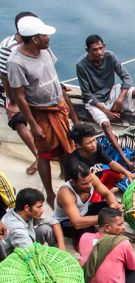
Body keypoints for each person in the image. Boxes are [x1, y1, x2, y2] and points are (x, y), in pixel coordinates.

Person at [7, 16, 76, 206]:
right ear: (35, 39)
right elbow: (19, 96)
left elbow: (51, 74)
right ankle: (50, 194)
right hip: (41, 112)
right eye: (45, 35)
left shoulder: (44, 50)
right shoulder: (16, 62)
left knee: (65, 148)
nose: (49, 38)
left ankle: (67, 180)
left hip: (57, 107)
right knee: (45, 153)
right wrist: (34, 125)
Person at [76, 34, 135, 171]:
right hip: (96, 101)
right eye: (95, 50)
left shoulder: (110, 56)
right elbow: (87, 95)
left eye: (101, 48)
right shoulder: (81, 65)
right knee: (106, 124)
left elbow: (126, 78)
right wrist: (107, 112)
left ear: (104, 46)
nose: (99, 52)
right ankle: (125, 159)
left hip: (112, 93)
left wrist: (120, 99)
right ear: (88, 51)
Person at [0, 12, 40, 175]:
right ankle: (38, 156)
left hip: (30, 86)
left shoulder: (35, 42)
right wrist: (12, 102)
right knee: (18, 120)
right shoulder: (8, 46)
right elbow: (4, 77)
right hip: (12, 89)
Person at [54, 162, 122, 250]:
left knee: (113, 209)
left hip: (85, 211)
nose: (89, 185)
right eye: (84, 184)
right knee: (87, 243)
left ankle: (107, 230)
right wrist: (105, 217)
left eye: (90, 181)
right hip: (67, 222)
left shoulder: (91, 178)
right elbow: (77, 222)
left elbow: (107, 193)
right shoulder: (66, 193)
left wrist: (114, 205)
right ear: (73, 182)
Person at [68, 123, 135, 196]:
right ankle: (113, 191)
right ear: (78, 145)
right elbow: (80, 185)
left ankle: (113, 190)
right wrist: (106, 193)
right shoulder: (74, 163)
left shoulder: (98, 147)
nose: (94, 144)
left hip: (99, 178)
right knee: (94, 195)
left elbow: (111, 163)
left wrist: (128, 173)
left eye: (94, 140)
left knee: (122, 174)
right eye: (89, 143)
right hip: (89, 184)